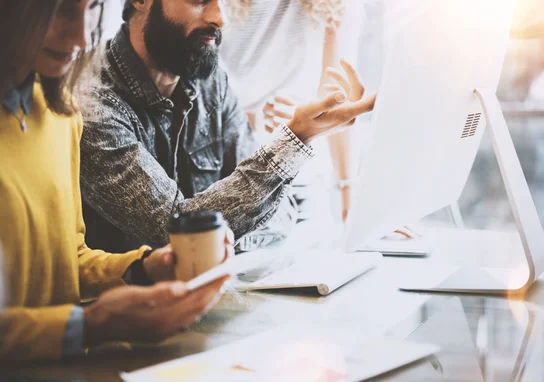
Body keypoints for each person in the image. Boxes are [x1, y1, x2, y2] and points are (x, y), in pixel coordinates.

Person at [0, 0, 233, 361]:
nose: (80, 35)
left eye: (93, 6)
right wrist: (91, 325)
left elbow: (68, 259)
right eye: (60, 9)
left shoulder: (59, 114)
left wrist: (142, 268)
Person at [79, 0, 375, 253]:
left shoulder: (210, 82)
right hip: (127, 309)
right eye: (198, 0)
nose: (219, 17)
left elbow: (281, 217)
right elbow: (176, 233)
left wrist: (222, 229)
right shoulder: (92, 105)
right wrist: (296, 139)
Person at [219, 0, 363, 222]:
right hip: (227, 178)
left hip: (302, 184)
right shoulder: (219, 7)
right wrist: (254, 118)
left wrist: (350, 195)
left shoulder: (337, 6)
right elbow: (198, 93)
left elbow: (339, 103)